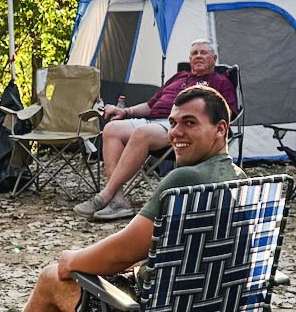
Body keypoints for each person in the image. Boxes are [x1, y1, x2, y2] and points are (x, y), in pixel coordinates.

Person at [14, 85, 239, 312]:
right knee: (151, 266)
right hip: (220, 310)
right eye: (173, 123)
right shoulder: (241, 180)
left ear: (220, 129)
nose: (176, 132)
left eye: (189, 123)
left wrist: (71, 260)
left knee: (51, 278)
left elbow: (121, 253)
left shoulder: (184, 180)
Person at [76, 42, 239, 224]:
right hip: (152, 120)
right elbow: (149, 106)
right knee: (111, 129)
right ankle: (118, 200)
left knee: (142, 133)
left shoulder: (220, 82)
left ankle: (105, 195)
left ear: (213, 59)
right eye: (194, 53)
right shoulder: (179, 77)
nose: (198, 56)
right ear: (190, 59)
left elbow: (227, 112)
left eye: (204, 53)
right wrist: (126, 112)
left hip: (179, 126)